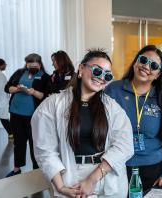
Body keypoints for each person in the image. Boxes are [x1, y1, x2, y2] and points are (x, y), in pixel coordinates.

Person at [31, 49, 134, 197]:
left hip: (106, 174)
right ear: (81, 68)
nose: (102, 78)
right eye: (98, 71)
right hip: (70, 177)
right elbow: (45, 150)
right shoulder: (53, 104)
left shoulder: (112, 107)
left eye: (108, 75)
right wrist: (60, 187)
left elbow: (124, 145)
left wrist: (92, 179)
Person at [105, 45, 162, 192]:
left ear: (158, 74)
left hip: (152, 169)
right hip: (117, 166)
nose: (146, 66)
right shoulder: (113, 90)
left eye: (154, 65)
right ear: (136, 62)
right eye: (143, 60)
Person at [4, 53, 50, 177]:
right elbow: (7, 87)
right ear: (26, 64)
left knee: (34, 142)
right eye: (29, 65)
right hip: (15, 112)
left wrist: (33, 92)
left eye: (35, 65)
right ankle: (17, 168)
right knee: (19, 142)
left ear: (40, 64)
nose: (32, 67)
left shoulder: (45, 77)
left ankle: (36, 170)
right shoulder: (19, 72)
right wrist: (17, 89)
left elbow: (45, 96)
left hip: (33, 115)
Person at [0, 58, 12, 139]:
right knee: (1, 116)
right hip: (0, 101)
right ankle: (11, 134)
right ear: (1, 65)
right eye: (5, 64)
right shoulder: (0, 75)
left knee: (2, 117)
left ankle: (11, 134)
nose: (6, 65)